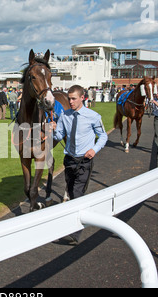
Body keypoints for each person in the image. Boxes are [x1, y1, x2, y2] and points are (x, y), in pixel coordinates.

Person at [52, 85, 107, 243]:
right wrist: (54, 129)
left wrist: (94, 149)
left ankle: (74, 233)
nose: (70, 101)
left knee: (77, 194)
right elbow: (60, 134)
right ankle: (74, 223)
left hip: (84, 160)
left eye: (74, 98)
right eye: (69, 98)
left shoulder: (93, 116)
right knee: (70, 191)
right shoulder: (65, 115)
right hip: (69, 159)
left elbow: (102, 136)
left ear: (83, 98)